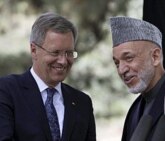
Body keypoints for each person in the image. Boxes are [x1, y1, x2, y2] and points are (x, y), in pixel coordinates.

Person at [0, 12, 96, 141]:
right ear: (34, 50)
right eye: (55, 52)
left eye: (69, 53)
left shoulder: (82, 103)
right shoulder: (7, 91)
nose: (63, 61)